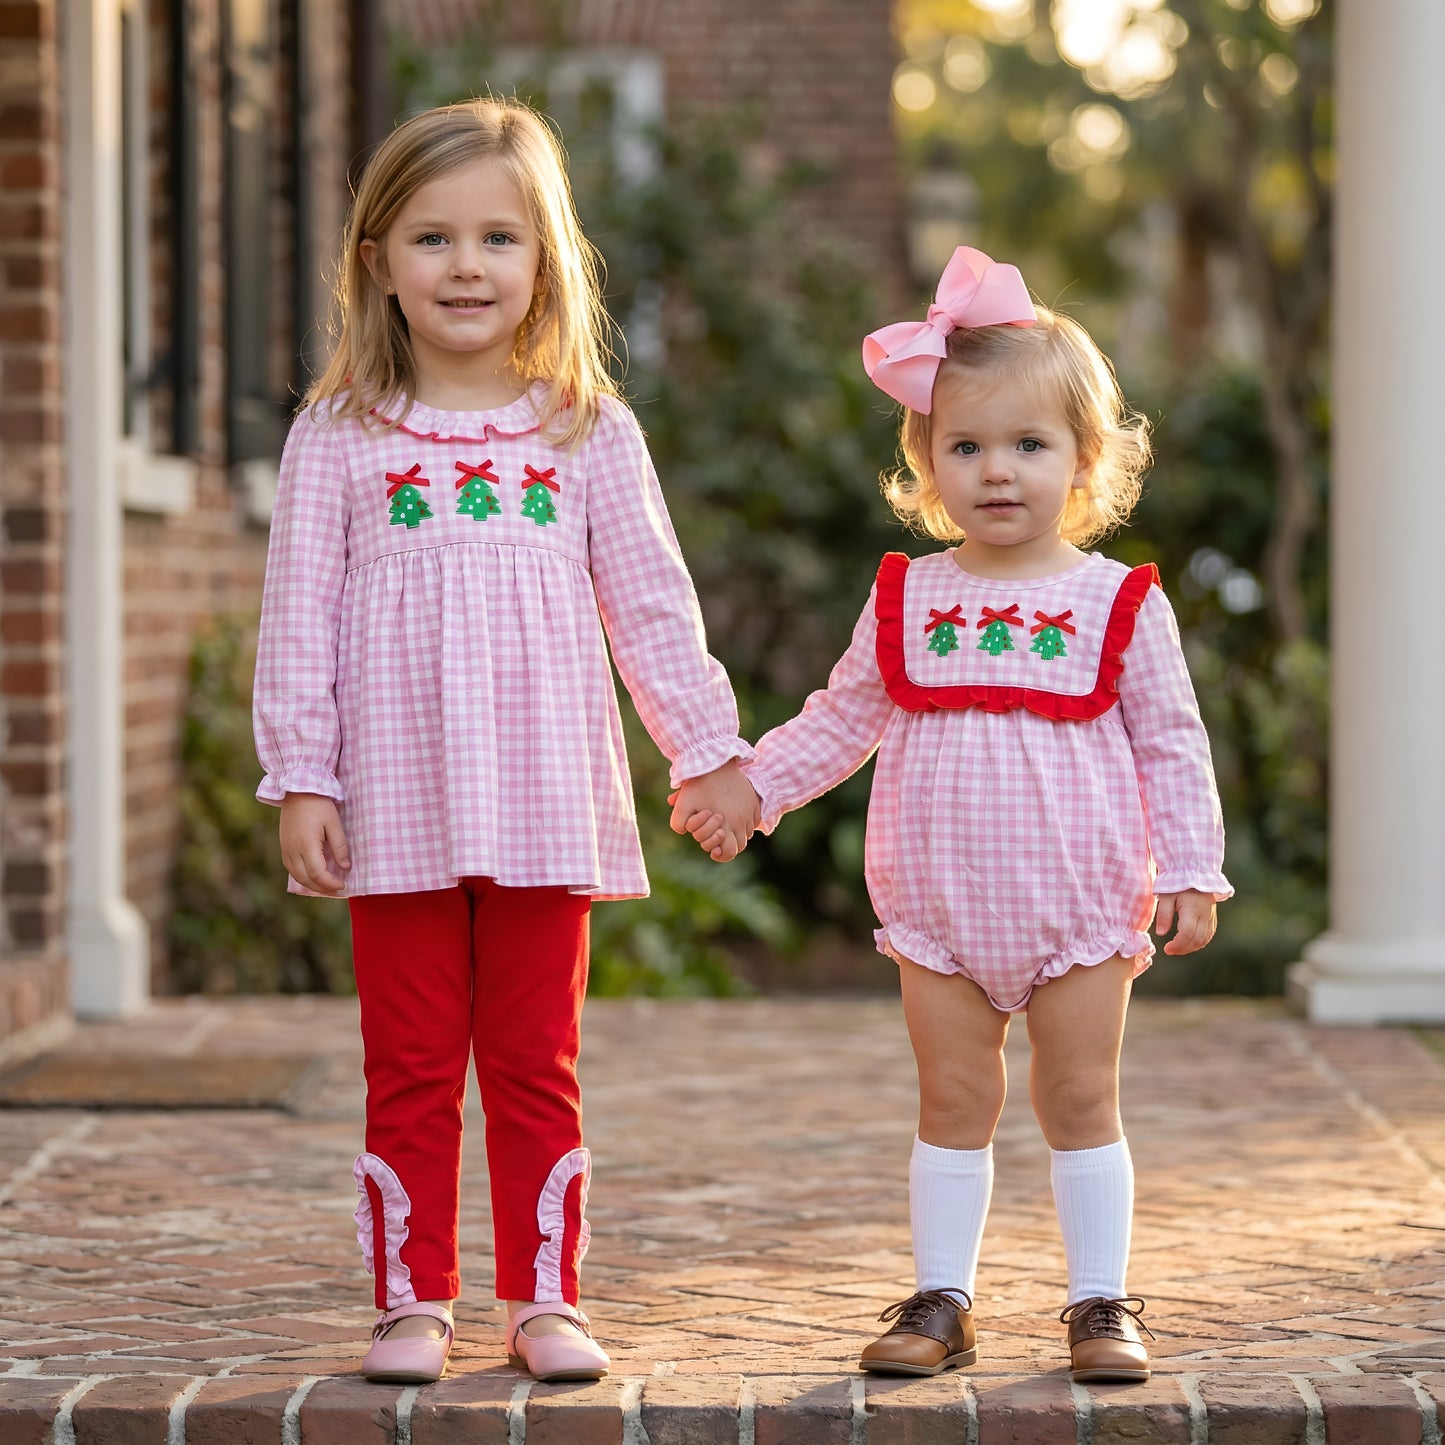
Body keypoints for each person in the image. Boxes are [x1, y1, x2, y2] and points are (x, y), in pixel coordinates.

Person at [253, 98, 759, 1386]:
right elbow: (296, 617)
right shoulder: (339, 437)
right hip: (398, 801)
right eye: (431, 237)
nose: (465, 265)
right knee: (411, 1062)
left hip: (543, 800)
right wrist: (301, 774)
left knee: (535, 1060)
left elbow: (651, 606)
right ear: (377, 259)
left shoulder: (587, 431)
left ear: (546, 260)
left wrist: (706, 751)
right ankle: (412, 1298)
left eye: (497, 237)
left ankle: (546, 1294)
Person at [673, 247, 1231, 1383]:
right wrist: (752, 782)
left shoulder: (1114, 602)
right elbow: (838, 719)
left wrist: (1190, 866)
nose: (995, 470)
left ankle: (1097, 1300)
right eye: (963, 445)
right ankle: (942, 1296)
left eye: (1028, 445)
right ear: (926, 461)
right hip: (936, 906)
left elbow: (1172, 744)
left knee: (1078, 1095)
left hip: (1078, 905)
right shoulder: (912, 596)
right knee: (954, 1095)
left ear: (1083, 461)